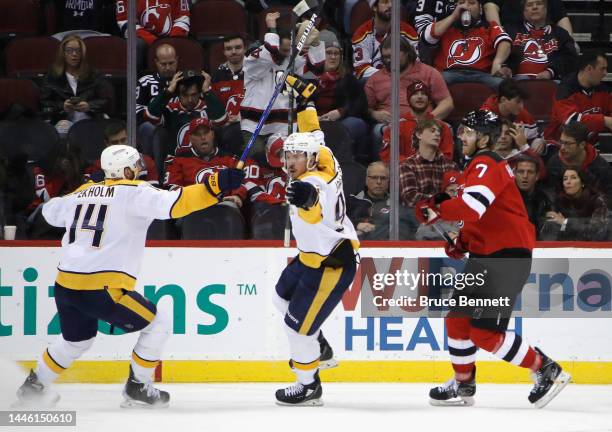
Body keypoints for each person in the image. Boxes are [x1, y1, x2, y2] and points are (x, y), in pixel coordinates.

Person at [15, 144, 244, 408]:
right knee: (158, 324)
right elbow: (175, 204)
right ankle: (138, 387)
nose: (139, 171)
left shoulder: (79, 193)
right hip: (103, 288)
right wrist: (213, 186)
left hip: (66, 285)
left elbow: (50, 211)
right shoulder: (135, 192)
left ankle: (34, 387)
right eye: (135, 166)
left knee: (75, 341)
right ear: (125, 169)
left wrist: (89, 190)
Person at [415, 109, 570, 408]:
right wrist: (462, 242)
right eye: (462, 132)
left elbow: (473, 207)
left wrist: (438, 211)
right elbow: (480, 218)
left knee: (485, 333)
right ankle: (463, 385)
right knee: (457, 322)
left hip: (506, 257)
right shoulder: (475, 167)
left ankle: (547, 369)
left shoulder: (487, 162)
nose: (462, 137)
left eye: (469, 132)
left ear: (484, 137)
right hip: (487, 256)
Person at [273, 100, 359, 406]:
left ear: (309, 159)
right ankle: (319, 348)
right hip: (310, 257)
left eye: (297, 155)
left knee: (298, 331)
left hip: (331, 262)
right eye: (288, 154)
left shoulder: (313, 183)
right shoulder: (326, 159)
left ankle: (309, 387)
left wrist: (305, 200)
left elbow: (314, 205)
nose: (291, 160)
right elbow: (313, 131)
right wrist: (305, 103)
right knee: (280, 297)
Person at [240, 12, 325, 165]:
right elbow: (271, 51)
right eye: (283, 49)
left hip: (284, 124)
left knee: (285, 166)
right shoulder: (255, 57)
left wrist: (315, 43)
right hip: (255, 125)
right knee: (255, 165)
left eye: (288, 50)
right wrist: (271, 29)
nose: (285, 54)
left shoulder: (293, 59)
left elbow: (316, 71)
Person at [365, 37, 453, 157]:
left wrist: (428, 119)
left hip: (425, 122)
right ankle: (381, 171)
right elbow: (365, 108)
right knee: (377, 131)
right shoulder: (375, 79)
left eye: (393, 56)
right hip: (390, 125)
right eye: (385, 57)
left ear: (407, 52)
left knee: (447, 128)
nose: (389, 60)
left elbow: (447, 103)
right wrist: (375, 114)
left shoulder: (428, 72)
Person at [430, 0, 513, 89]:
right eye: (461, 3)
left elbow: (505, 42)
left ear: (480, 9)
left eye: (472, 3)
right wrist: (453, 16)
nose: (466, 7)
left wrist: (498, 62)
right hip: (449, 73)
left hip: (482, 74)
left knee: (504, 85)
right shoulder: (446, 26)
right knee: (434, 82)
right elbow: (430, 35)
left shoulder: (488, 27)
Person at [314, 30, 369, 162]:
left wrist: (340, 112)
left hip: (339, 121)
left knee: (357, 124)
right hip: (312, 121)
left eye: (336, 53)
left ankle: (351, 162)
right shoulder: (307, 77)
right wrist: (312, 117)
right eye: (329, 53)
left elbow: (360, 104)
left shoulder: (348, 78)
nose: (333, 57)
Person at [147, 70, 227, 156]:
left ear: (200, 93)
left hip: (205, 163)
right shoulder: (170, 109)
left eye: (194, 94)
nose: (190, 100)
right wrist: (169, 91)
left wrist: (207, 92)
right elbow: (150, 115)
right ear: (178, 94)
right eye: (185, 95)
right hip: (177, 164)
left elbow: (221, 120)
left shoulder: (208, 107)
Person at [40, 35, 110, 127]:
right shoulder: (52, 76)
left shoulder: (94, 74)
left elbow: (105, 100)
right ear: (63, 53)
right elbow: (44, 102)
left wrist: (89, 106)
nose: (74, 54)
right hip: (62, 120)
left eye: (78, 50)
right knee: (62, 128)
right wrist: (62, 106)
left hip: (90, 119)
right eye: (69, 51)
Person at [544, 51, 612, 144]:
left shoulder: (603, 91)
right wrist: (604, 120)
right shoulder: (565, 90)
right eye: (602, 69)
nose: (605, 73)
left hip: (588, 145)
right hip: (559, 144)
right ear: (589, 68)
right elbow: (572, 121)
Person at [380, 81, 454, 163]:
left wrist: (426, 163)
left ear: (429, 100)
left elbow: (447, 156)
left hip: (433, 171)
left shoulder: (442, 126)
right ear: (408, 99)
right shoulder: (396, 127)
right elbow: (387, 156)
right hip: (403, 172)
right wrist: (412, 163)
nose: (420, 97)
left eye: (423, 94)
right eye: (415, 94)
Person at [505, 0, 578, 81]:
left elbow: (570, 59)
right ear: (524, 11)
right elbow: (501, 55)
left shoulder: (561, 34)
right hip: (516, 81)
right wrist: (505, 68)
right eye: (529, 5)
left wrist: (551, 72)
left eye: (539, 3)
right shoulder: (511, 31)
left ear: (546, 9)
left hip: (552, 81)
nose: (534, 7)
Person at [545, 121, 612, 205]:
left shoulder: (601, 166)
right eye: (561, 142)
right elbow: (550, 193)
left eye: (568, 143)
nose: (562, 148)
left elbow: (609, 196)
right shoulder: (554, 163)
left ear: (582, 144)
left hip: (594, 212)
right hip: (562, 211)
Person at [351, 0, 418, 80]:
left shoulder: (408, 32)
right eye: (385, 2)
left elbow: (416, 64)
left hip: (403, 82)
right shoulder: (362, 33)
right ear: (374, 7)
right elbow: (361, 69)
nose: (390, 5)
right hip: (372, 84)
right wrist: (388, 76)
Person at [399, 119, 458, 208]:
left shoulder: (451, 165)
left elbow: (457, 195)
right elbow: (411, 198)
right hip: (416, 218)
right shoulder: (407, 165)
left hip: (446, 216)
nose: (437, 134)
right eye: (432, 131)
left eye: (439, 132)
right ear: (419, 134)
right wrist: (441, 199)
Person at [116, 0, 190, 70]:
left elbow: (182, 18)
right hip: (143, 39)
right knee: (136, 45)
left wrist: (171, 41)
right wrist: (153, 41)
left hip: (171, 36)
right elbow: (125, 21)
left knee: (186, 43)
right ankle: (137, 81)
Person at [541, 167, 609, 241]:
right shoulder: (558, 201)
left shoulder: (597, 201)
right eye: (565, 179)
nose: (568, 182)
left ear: (582, 182)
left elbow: (596, 231)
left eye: (573, 178)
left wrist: (565, 222)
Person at [85, 120, 159, 185]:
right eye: (115, 142)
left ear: (128, 137)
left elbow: (153, 192)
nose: (120, 145)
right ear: (107, 143)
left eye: (123, 140)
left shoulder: (146, 161)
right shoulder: (98, 166)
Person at [481, 79, 545, 153]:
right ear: (503, 100)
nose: (522, 106)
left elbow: (534, 137)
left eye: (522, 101)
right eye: (518, 102)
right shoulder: (483, 116)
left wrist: (539, 141)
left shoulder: (524, 115)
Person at [137, 44, 179, 154]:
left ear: (177, 60)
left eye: (171, 63)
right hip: (156, 129)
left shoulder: (186, 80)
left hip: (181, 124)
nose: (168, 67)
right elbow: (137, 112)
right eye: (163, 64)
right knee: (147, 127)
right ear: (156, 62)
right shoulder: (145, 82)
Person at [415, 170, 462, 241]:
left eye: (458, 191)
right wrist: (448, 235)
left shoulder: (472, 212)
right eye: (451, 191)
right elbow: (420, 235)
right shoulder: (433, 212)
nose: (455, 194)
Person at [514, 154, 552, 236]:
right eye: (521, 172)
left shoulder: (545, 200)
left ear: (537, 176)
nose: (525, 176)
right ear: (514, 174)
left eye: (530, 172)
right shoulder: (505, 199)